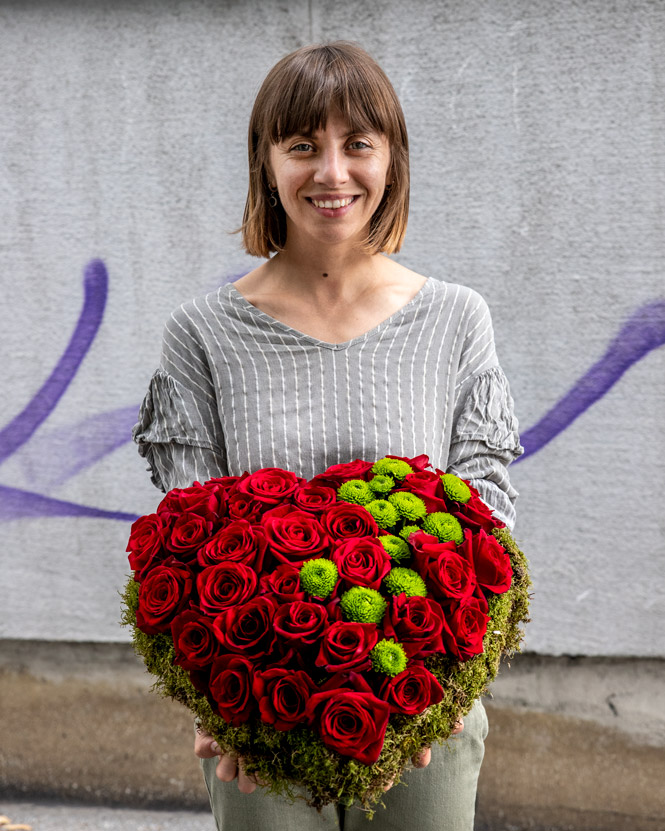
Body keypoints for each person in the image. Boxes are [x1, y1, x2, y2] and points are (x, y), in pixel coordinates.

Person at [133, 41, 522, 831]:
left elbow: (487, 510)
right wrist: (216, 699)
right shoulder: (201, 334)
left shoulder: (455, 318)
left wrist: (440, 690)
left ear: (391, 159)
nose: (332, 173)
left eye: (358, 144)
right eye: (303, 145)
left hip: (426, 714)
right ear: (266, 162)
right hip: (259, 724)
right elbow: (185, 533)